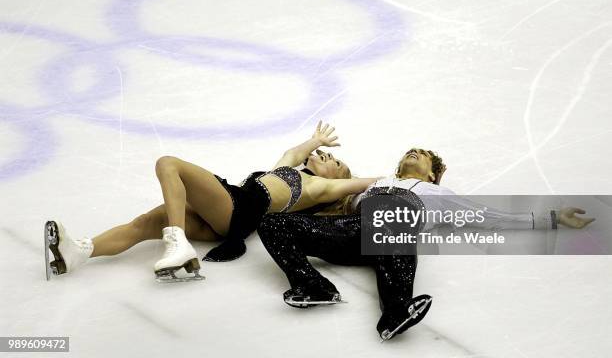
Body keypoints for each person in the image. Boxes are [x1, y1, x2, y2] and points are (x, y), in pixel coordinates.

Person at [258, 148, 595, 340]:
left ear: (433, 175)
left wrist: (551, 218)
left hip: (395, 233)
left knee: (394, 228)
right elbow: (328, 192)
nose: (413, 152)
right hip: (352, 232)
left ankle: (395, 312)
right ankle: (315, 287)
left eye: (422, 155)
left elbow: (491, 216)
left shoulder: (440, 195)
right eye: (410, 151)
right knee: (273, 223)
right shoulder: (374, 184)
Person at [44, 121, 378, 282]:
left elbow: (363, 182)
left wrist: (408, 181)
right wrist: (314, 140)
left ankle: (177, 244)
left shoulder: (319, 188)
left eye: (333, 160)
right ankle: (79, 251)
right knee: (146, 222)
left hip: (236, 208)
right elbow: (293, 153)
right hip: (227, 219)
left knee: (168, 163)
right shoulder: (290, 172)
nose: (324, 155)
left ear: (337, 180)